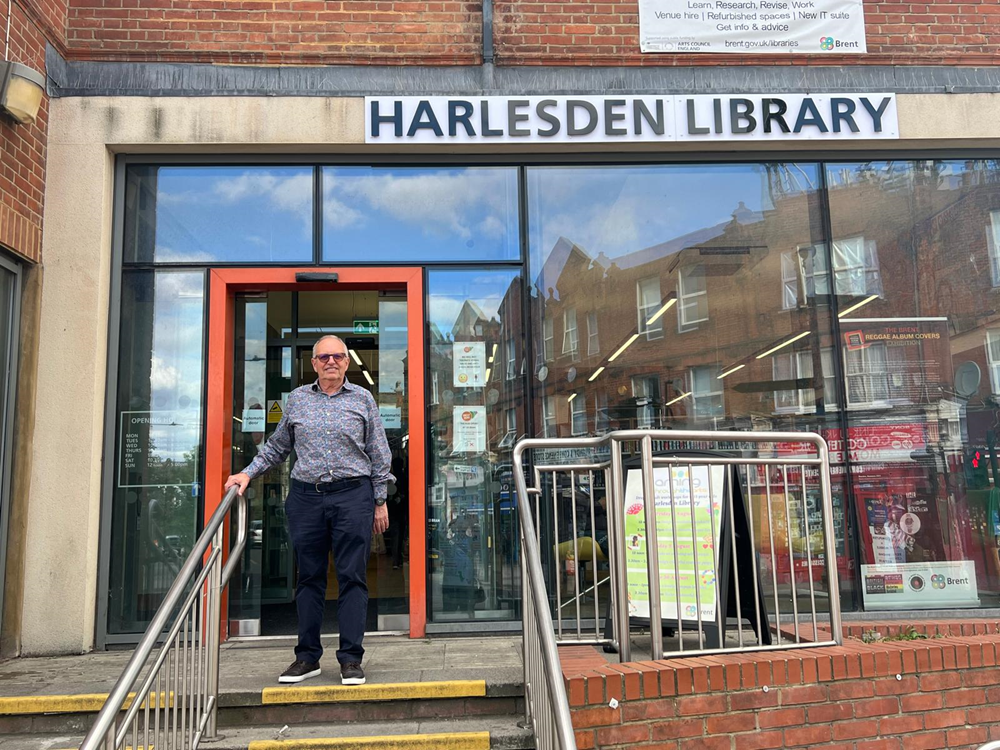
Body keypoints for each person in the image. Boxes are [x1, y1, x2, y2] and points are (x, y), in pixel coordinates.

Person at [225, 334, 392, 686]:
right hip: (306, 499)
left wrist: (379, 500)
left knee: (352, 577)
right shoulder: (298, 399)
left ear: (347, 362)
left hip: (353, 495)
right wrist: (247, 473)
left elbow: (379, 453)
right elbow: (277, 447)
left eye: (338, 356)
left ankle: (350, 659)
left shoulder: (363, 399)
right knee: (309, 578)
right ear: (313, 363)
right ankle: (307, 657)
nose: (331, 362)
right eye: (323, 357)